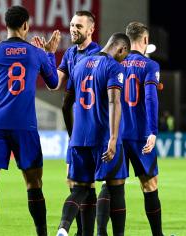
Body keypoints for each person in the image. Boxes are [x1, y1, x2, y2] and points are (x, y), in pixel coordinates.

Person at [0, 6, 60, 236]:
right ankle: (42, 233)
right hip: (24, 125)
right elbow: (53, 83)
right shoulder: (36, 53)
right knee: (33, 183)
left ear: (6, 26)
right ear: (26, 26)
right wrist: (49, 52)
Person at [56, 32, 130, 236]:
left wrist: (73, 136)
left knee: (81, 189)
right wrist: (114, 138)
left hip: (80, 137)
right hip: (103, 137)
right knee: (116, 188)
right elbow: (115, 101)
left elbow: (65, 104)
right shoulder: (114, 67)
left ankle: (63, 227)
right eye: (125, 55)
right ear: (121, 49)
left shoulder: (80, 65)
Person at [51, 11, 101, 235]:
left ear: (91, 29)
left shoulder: (98, 54)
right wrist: (48, 56)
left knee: (84, 186)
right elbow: (54, 84)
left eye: (79, 26)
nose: (73, 29)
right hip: (81, 131)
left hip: (89, 129)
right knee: (84, 186)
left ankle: (75, 230)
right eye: (72, 25)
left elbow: (65, 101)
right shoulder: (70, 54)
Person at [120, 22, 163, 236]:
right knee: (149, 184)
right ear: (145, 40)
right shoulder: (149, 65)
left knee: (112, 186)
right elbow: (150, 98)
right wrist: (153, 131)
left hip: (115, 135)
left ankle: (101, 231)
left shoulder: (113, 63)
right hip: (140, 135)